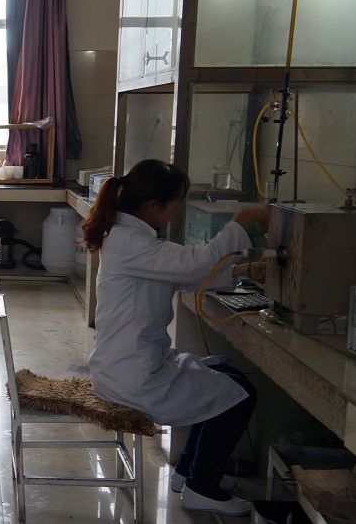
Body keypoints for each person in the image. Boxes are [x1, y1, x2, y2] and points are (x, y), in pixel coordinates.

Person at [80, 159, 269, 516]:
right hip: (132, 376)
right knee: (240, 396)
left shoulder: (129, 237)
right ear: (153, 206)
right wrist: (242, 220)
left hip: (130, 364)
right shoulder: (131, 243)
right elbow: (197, 264)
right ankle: (202, 488)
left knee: (228, 380)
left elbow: (185, 275)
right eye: (174, 204)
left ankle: (188, 472)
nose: (175, 212)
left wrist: (243, 270)